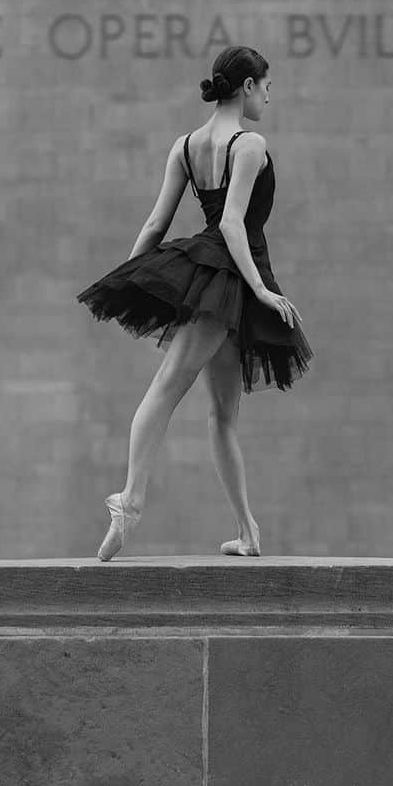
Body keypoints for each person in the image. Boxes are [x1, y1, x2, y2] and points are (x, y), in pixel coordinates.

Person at [75, 45, 313, 562]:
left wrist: (131, 274)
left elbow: (155, 225)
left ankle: (248, 531)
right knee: (168, 387)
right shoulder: (249, 144)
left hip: (216, 274)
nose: (270, 95)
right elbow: (231, 225)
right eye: (266, 85)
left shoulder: (186, 145)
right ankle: (130, 501)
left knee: (224, 412)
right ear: (247, 86)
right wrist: (261, 291)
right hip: (227, 275)